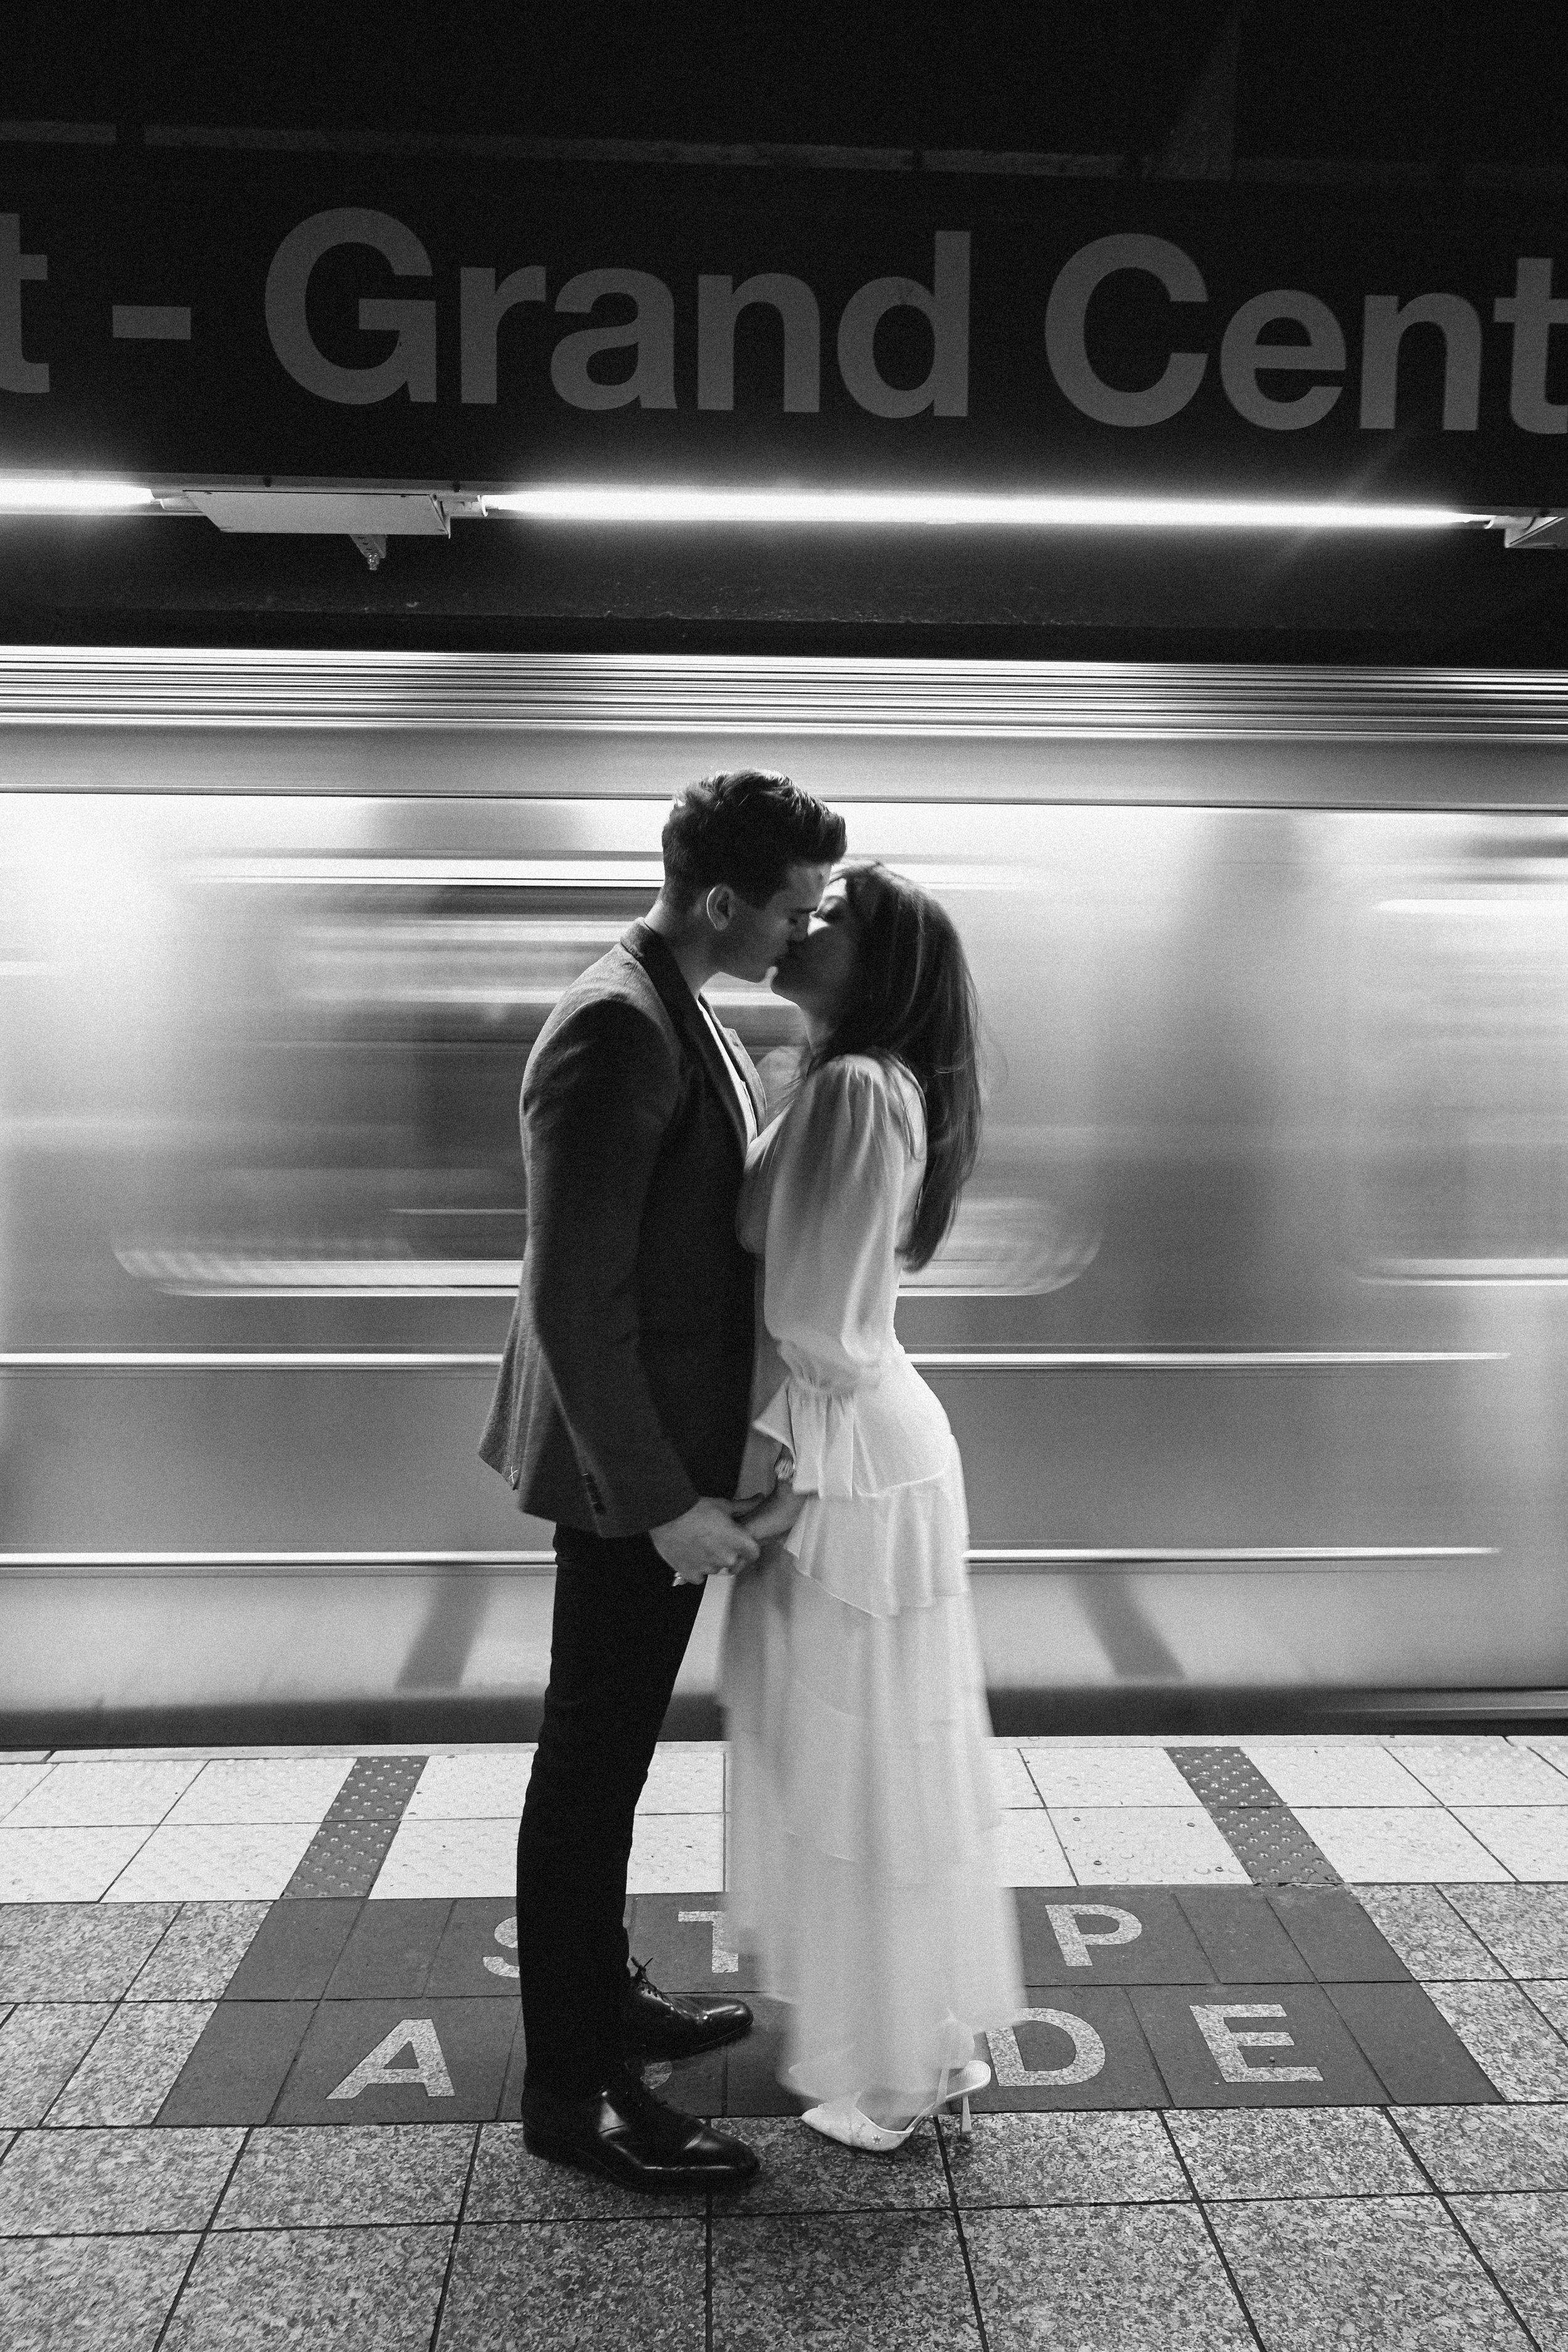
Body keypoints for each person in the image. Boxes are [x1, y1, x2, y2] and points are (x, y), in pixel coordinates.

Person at [480, 768, 846, 2191]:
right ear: (718, 901)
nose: (801, 931)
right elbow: (575, 1298)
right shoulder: (616, 1031)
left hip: (649, 1458)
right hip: (617, 1476)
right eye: (793, 906)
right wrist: (662, 1502)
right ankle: (577, 2094)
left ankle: (599, 1996)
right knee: (588, 1771)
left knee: (609, 1766)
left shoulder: (677, 1004)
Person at [721, 863, 1025, 2151]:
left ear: (876, 964)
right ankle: (926, 2042)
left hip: (842, 1448)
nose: (805, 930)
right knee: (885, 1761)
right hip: (869, 1443)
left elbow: (814, 1324)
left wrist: (751, 1473)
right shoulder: (868, 1084)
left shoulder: (848, 1088)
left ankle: (896, 2070)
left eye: (830, 924)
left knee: (854, 1769)